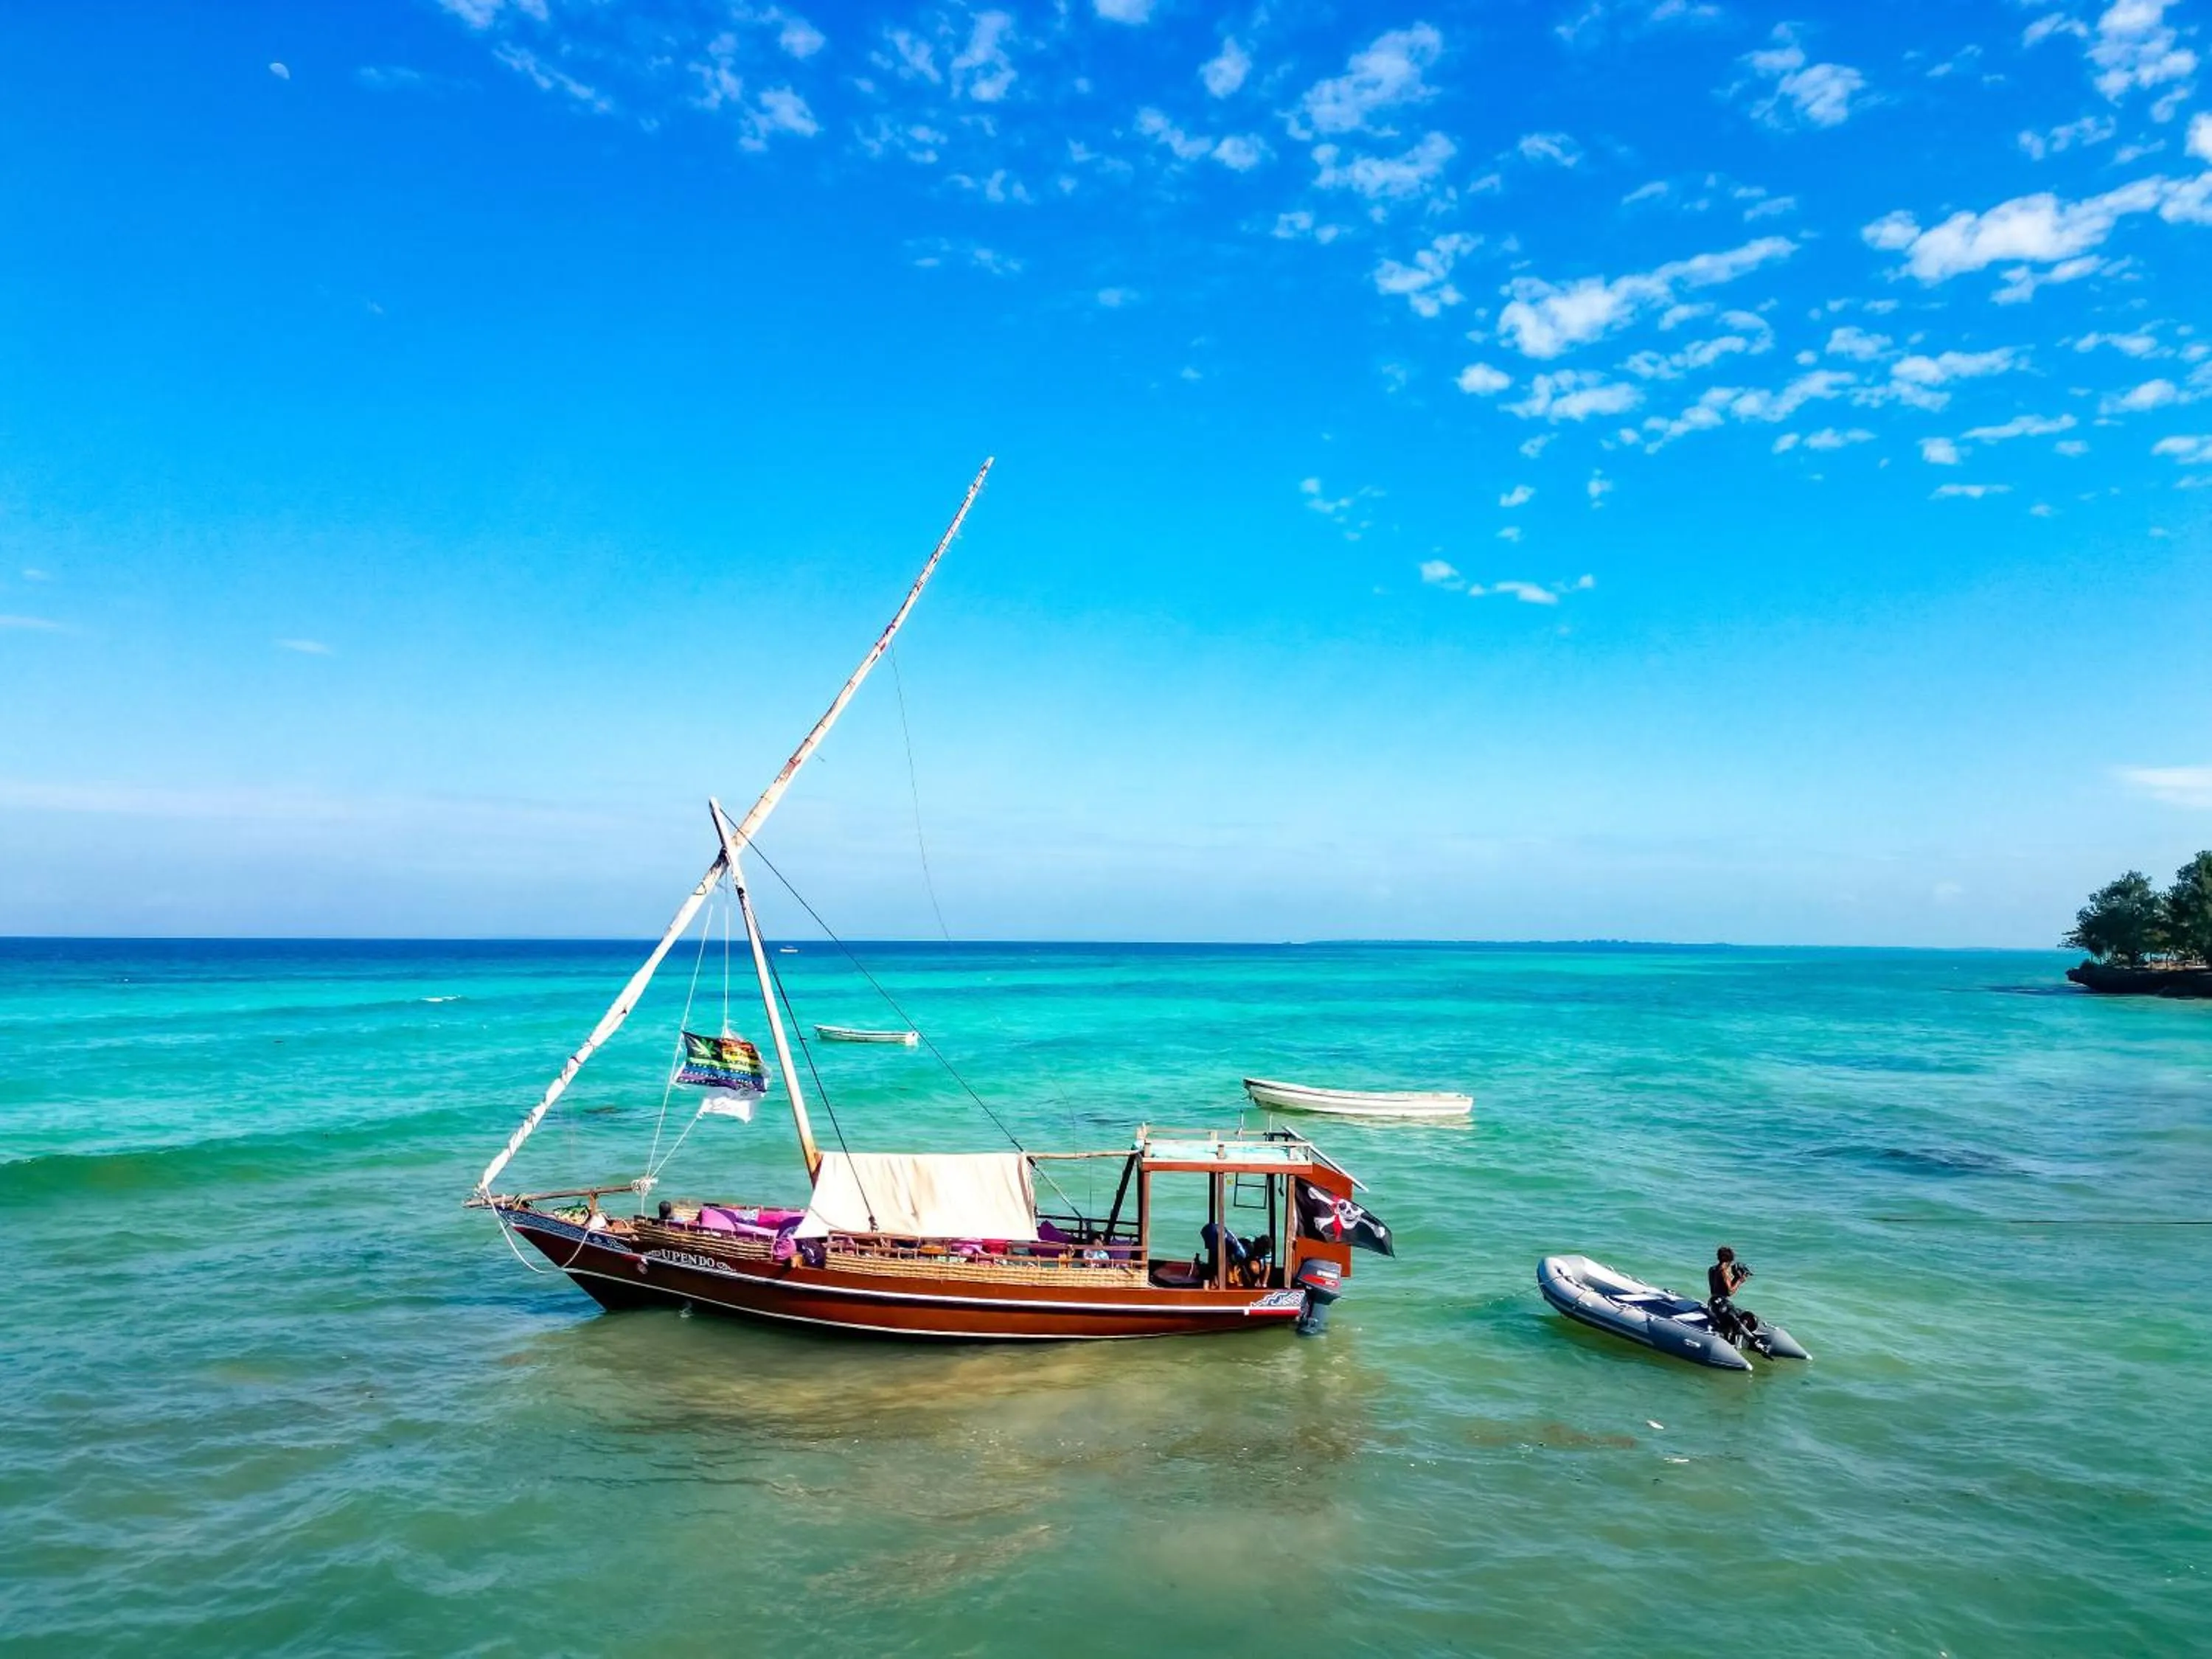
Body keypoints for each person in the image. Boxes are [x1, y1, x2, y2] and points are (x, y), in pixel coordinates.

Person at [1706, 1245, 1758, 1343]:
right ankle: (1747, 1338)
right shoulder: (1723, 1271)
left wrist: (1735, 1278)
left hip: (1713, 1302)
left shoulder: (1712, 1269)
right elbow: (1729, 1292)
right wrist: (1739, 1280)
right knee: (1738, 1316)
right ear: (1730, 1259)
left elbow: (1719, 1290)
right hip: (1721, 1303)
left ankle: (1733, 1334)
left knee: (1735, 1313)